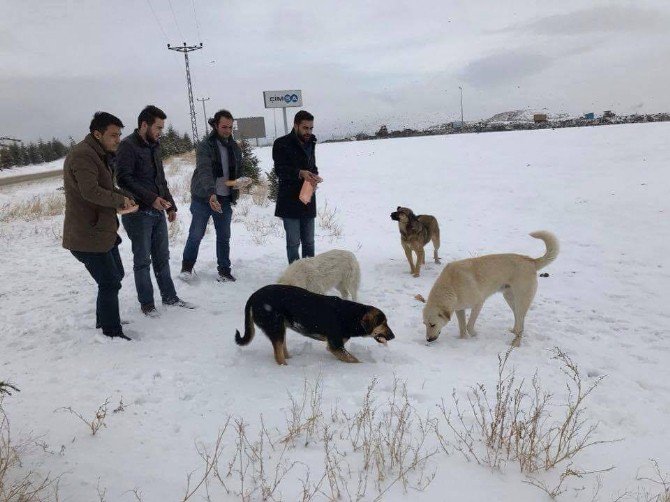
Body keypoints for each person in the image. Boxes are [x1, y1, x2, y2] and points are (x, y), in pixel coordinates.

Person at [62, 111, 138, 340]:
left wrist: (125, 196)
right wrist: (118, 200)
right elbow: (90, 191)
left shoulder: (100, 154)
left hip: (103, 230)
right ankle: (111, 331)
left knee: (116, 275)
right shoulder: (83, 156)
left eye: (120, 135)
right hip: (87, 234)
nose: (118, 139)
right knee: (109, 281)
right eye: (113, 135)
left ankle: (104, 319)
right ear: (97, 134)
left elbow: (105, 186)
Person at [115, 105, 194, 316]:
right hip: (138, 214)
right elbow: (123, 179)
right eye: (158, 127)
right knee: (142, 260)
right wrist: (152, 199)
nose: (161, 131)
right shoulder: (127, 146)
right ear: (144, 125)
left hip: (158, 211)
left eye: (162, 127)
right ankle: (147, 304)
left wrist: (170, 205)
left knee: (162, 257)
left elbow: (160, 180)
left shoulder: (154, 146)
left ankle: (170, 297)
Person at [180, 109, 243, 282]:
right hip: (203, 197)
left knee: (224, 236)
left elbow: (238, 169)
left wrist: (240, 181)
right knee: (196, 234)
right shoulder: (205, 145)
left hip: (224, 198)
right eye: (224, 127)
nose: (227, 131)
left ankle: (224, 270)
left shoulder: (234, 147)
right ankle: (186, 268)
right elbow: (204, 170)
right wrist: (210, 193)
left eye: (230, 127)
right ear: (215, 125)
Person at [273, 110, 322, 264]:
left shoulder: (311, 143)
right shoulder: (281, 143)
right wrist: (300, 173)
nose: (309, 131)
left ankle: (310, 275)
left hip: (307, 198)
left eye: (311, 128)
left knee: (309, 242)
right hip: (289, 200)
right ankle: (295, 277)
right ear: (296, 125)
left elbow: (312, 166)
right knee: (293, 243)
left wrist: (314, 176)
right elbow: (279, 170)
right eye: (305, 128)